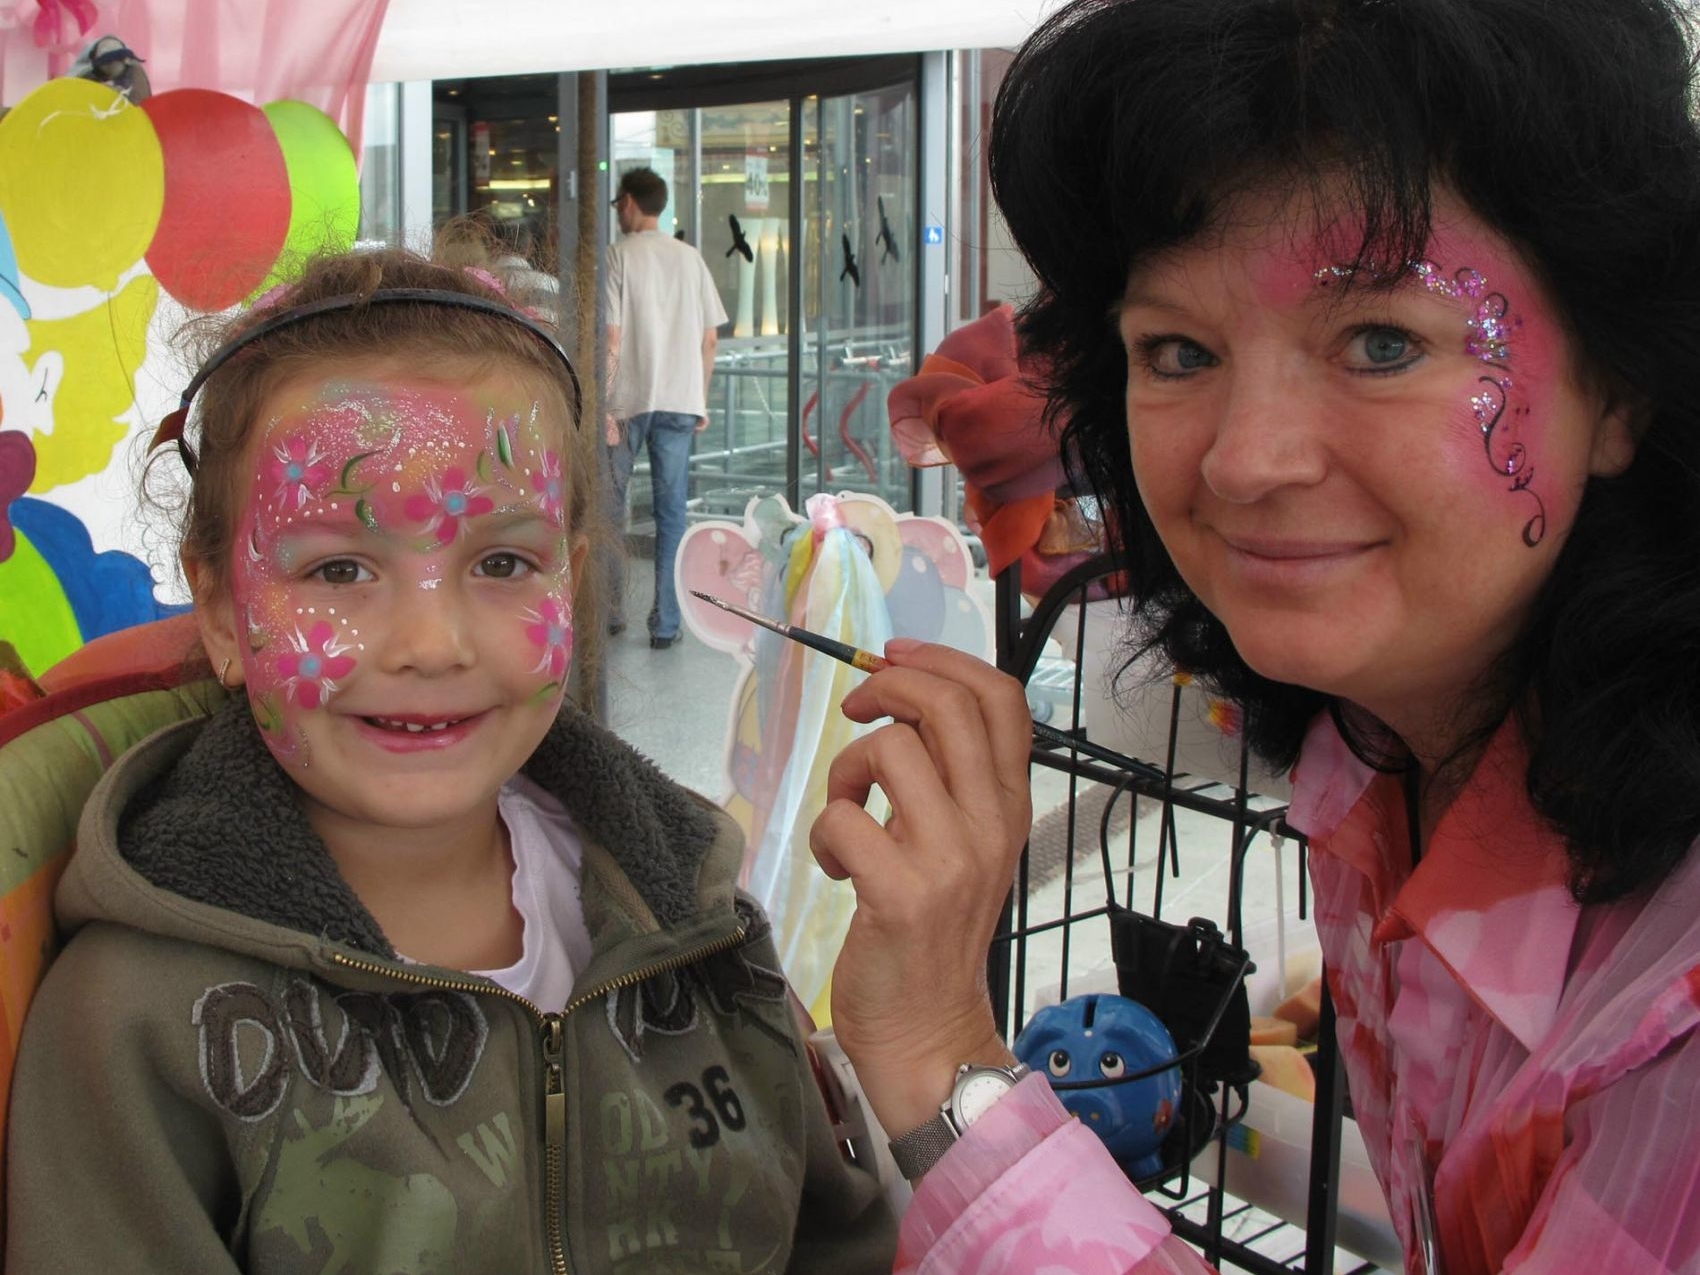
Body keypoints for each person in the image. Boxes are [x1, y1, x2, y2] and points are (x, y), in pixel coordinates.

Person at [801, 0, 1700, 1271]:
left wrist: (954, 1073)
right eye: (1175, 350)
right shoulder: (1378, 770)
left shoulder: (1672, 1027)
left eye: (1381, 343)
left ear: (1620, 386)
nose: (1241, 459)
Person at [3, 247, 897, 1272]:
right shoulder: (136, 1025)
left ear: (571, 577)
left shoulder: (690, 913)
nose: (431, 644)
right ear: (218, 611)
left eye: (502, 563)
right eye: (338, 568)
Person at [604, 166, 727, 649]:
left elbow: (612, 340)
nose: (619, 214)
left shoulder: (619, 257)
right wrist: (701, 398)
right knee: (672, 513)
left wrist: (604, 406)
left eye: (619, 205)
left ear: (630, 203)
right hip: (679, 400)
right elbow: (710, 339)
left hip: (627, 402)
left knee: (611, 511)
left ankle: (612, 612)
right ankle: (666, 624)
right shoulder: (690, 258)